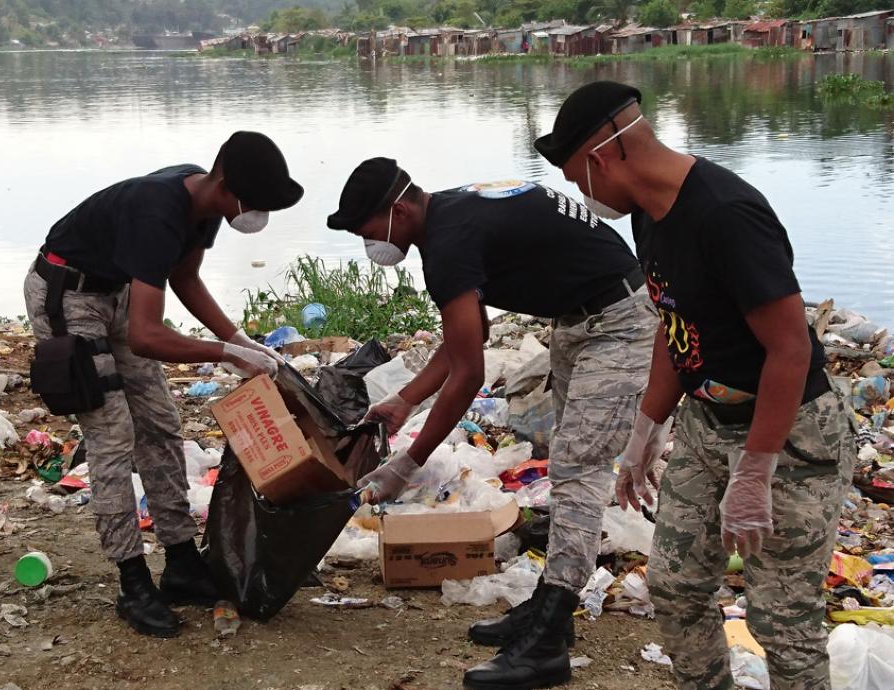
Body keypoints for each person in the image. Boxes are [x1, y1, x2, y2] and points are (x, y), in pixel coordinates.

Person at [534, 80, 855, 690]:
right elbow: (673, 322)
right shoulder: (651, 218)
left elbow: (788, 349)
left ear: (601, 158)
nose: (583, 194)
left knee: (783, 620)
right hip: (708, 426)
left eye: (578, 179)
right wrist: (644, 430)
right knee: (676, 586)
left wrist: (756, 473)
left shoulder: (726, 215)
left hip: (787, 433)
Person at [326, 159, 658, 690]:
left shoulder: (451, 239)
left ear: (399, 208)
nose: (370, 244)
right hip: (580, 317)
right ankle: (548, 602)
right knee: (571, 466)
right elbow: (471, 335)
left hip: (619, 321)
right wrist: (405, 401)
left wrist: (406, 464)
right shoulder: (450, 217)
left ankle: (549, 637)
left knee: (578, 469)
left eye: (368, 230)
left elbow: (468, 374)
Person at [23, 131, 303, 638]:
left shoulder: (206, 206)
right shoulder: (157, 211)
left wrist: (240, 339)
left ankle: (179, 562)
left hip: (117, 293)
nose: (257, 214)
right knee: (112, 438)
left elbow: (186, 279)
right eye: (255, 203)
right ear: (224, 181)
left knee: (160, 425)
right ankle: (133, 584)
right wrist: (226, 354)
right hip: (69, 295)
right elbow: (149, 336)